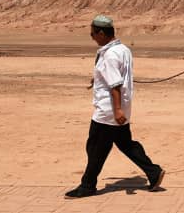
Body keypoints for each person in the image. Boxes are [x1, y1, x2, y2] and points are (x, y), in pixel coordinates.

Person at [65, 15, 165, 199]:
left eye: (93, 33)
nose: (92, 37)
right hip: (121, 109)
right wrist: (98, 80)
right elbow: (114, 76)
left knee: (95, 147)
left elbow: (115, 84)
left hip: (108, 111)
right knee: (126, 144)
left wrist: (117, 109)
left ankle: (87, 185)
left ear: (102, 33)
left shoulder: (110, 54)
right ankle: (153, 172)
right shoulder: (122, 49)